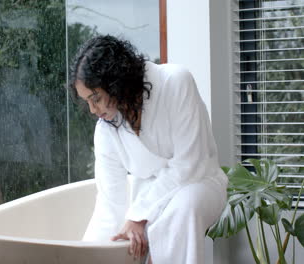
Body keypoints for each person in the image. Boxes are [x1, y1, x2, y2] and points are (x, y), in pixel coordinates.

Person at [68, 35, 228, 264]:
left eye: (96, 98)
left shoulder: (176, 82)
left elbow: (189, 165)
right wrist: (85, 255)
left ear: (115, 83)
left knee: (185, 206)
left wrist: (140, 215)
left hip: (200, 182)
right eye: (87, 102)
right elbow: (110, 201)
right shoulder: (106, 129)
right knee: (125, 233)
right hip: (147, 197)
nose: (93, 110)